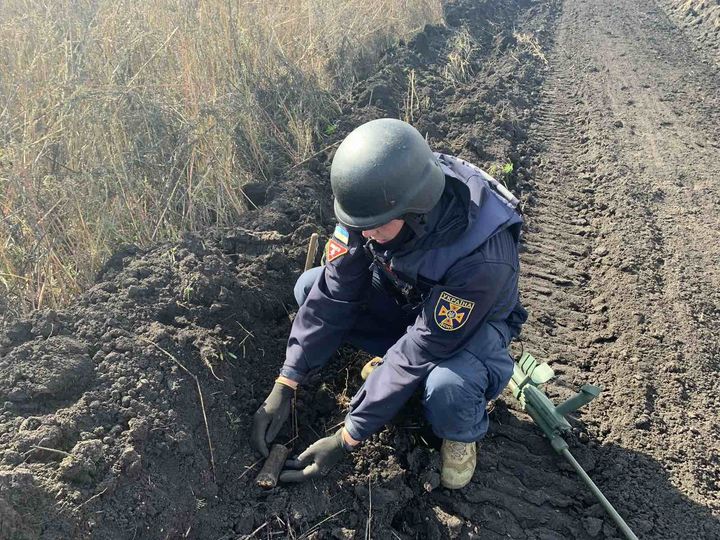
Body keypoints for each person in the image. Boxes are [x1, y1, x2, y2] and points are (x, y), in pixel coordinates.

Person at [251, 118, 527, 489]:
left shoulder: (482, 259)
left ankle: (461, 430)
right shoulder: (372, 203)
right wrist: (286, 382)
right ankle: (392, 378)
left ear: (416, 213)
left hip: (467, 328)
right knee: (309, 288)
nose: (365, 234)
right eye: (360, 224)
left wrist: (346, 438)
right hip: (407, 294)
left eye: (376, 227)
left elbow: (425, 344)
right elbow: (335, 290)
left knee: (448, 386)